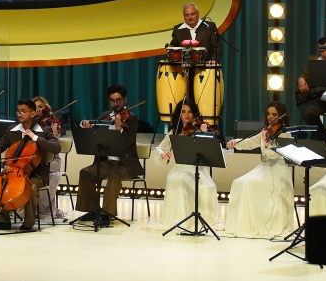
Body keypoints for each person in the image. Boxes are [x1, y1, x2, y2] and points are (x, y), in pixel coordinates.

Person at [0, 98, 61, 231]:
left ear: (33, 113)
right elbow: (1, 143)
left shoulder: (44, 130)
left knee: (31, 187)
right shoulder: (12, 130)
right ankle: (2, 221)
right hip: (15, 171)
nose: (19, 114)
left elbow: (56, 147)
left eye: (23, 111)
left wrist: (35, 137)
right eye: (18, 111)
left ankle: (28, 222)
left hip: (37, 173)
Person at [224, 101, 294, 238]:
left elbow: (275, 155)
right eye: (268, 114)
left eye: (274, 114)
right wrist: (235, 142)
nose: (270, 117)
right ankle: (244, 225)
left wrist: (267, 145)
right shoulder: (266, 131)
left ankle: (260, 225)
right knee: (238, 182)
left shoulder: (285, 135)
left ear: (282, 116)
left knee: (249, 184)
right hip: (265, 167)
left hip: (278, 170)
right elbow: (250, 142)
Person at [75, 85, 143, 224]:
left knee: (114, 175)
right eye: (112, 101)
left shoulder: (132, 118)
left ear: (125, 100)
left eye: (118, 100)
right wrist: (85, 124)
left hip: (125, 164)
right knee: (85, 172)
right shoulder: (107, 115)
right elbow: (94, 125)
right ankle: (92, 210)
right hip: (106, 163)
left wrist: (119, 130)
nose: (115, 104)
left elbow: (128, 143)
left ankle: (107, 214)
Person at [152, 99, 219, 230]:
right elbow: (159, 148)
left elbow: (209, 149)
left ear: (194, 114)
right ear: (179, 114)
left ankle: (191, 221)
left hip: (197, 169)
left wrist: (204, 133)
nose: (187, 115)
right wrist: (163, 154)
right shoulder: (174, 132)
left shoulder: (198, 129)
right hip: (179, 169)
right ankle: (179, 221)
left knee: (185, 179)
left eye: (190, 111)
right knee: (177, 178)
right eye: (183, 111)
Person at [34, 96, 67, 220]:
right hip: (35, 157)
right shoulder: (30, 123)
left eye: (41, 106)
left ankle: (42, 207)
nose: (38, 110)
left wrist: (54, 134)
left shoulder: (52, 122)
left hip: (52, 159)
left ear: (45, 107)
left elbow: (55, 147)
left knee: (49, 171)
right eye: (35, 107)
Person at [294, 37, 326, 141]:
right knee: (307, 113)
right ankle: (323, 137)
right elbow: (303, 76)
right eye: (322, 51)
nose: (324, 54)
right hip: (319, 99)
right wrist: (301, 79)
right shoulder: (315, 60)